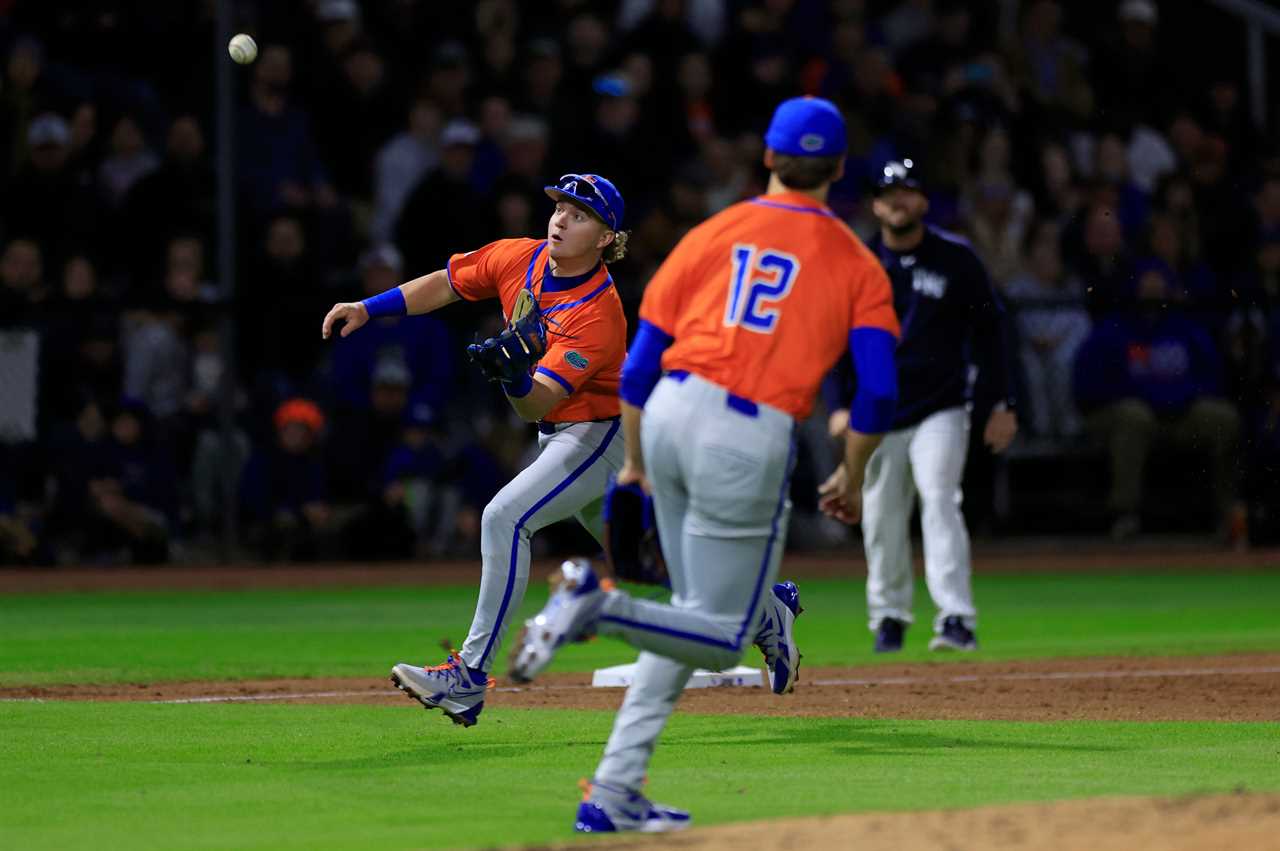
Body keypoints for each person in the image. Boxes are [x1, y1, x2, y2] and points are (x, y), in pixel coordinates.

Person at [505, 97, 900, 833]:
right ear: (840, 168)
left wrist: (635, 464)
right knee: (717, 636)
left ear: (770, 160)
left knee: (691, 615)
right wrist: (852, 469)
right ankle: (601, 605)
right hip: (746, 431)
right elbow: (878, 387)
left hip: (669, 411)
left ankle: (614, 791)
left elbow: (643, 360)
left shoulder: (715, 230)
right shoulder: (854, 257)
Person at [323, 172, 634, 727]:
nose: (562, 218)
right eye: (561, 206)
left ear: (607, 237)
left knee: (504, 517)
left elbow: (534, 405)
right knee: (651, 566)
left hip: (599, 435)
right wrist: (369, 308)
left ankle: (467, 677)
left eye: (580, 214)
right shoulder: (521, 257)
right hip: (564, 434)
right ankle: (766, 613)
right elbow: (446, 283)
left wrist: (514, 379)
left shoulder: (598, 313)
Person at [827, 159, 1017, 654]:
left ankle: (956, 617)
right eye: (889, 193)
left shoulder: (956, 258)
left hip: (942, 405)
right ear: (875, 204)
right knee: (881, 515)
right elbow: (834, 340)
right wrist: (839, 403)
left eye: (907, 192)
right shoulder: (860, 262)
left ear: (924, 202)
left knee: (938, 497)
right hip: (876, 410)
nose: (898, 202)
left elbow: (992, 333)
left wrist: (1002, 402)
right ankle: (889, 616)